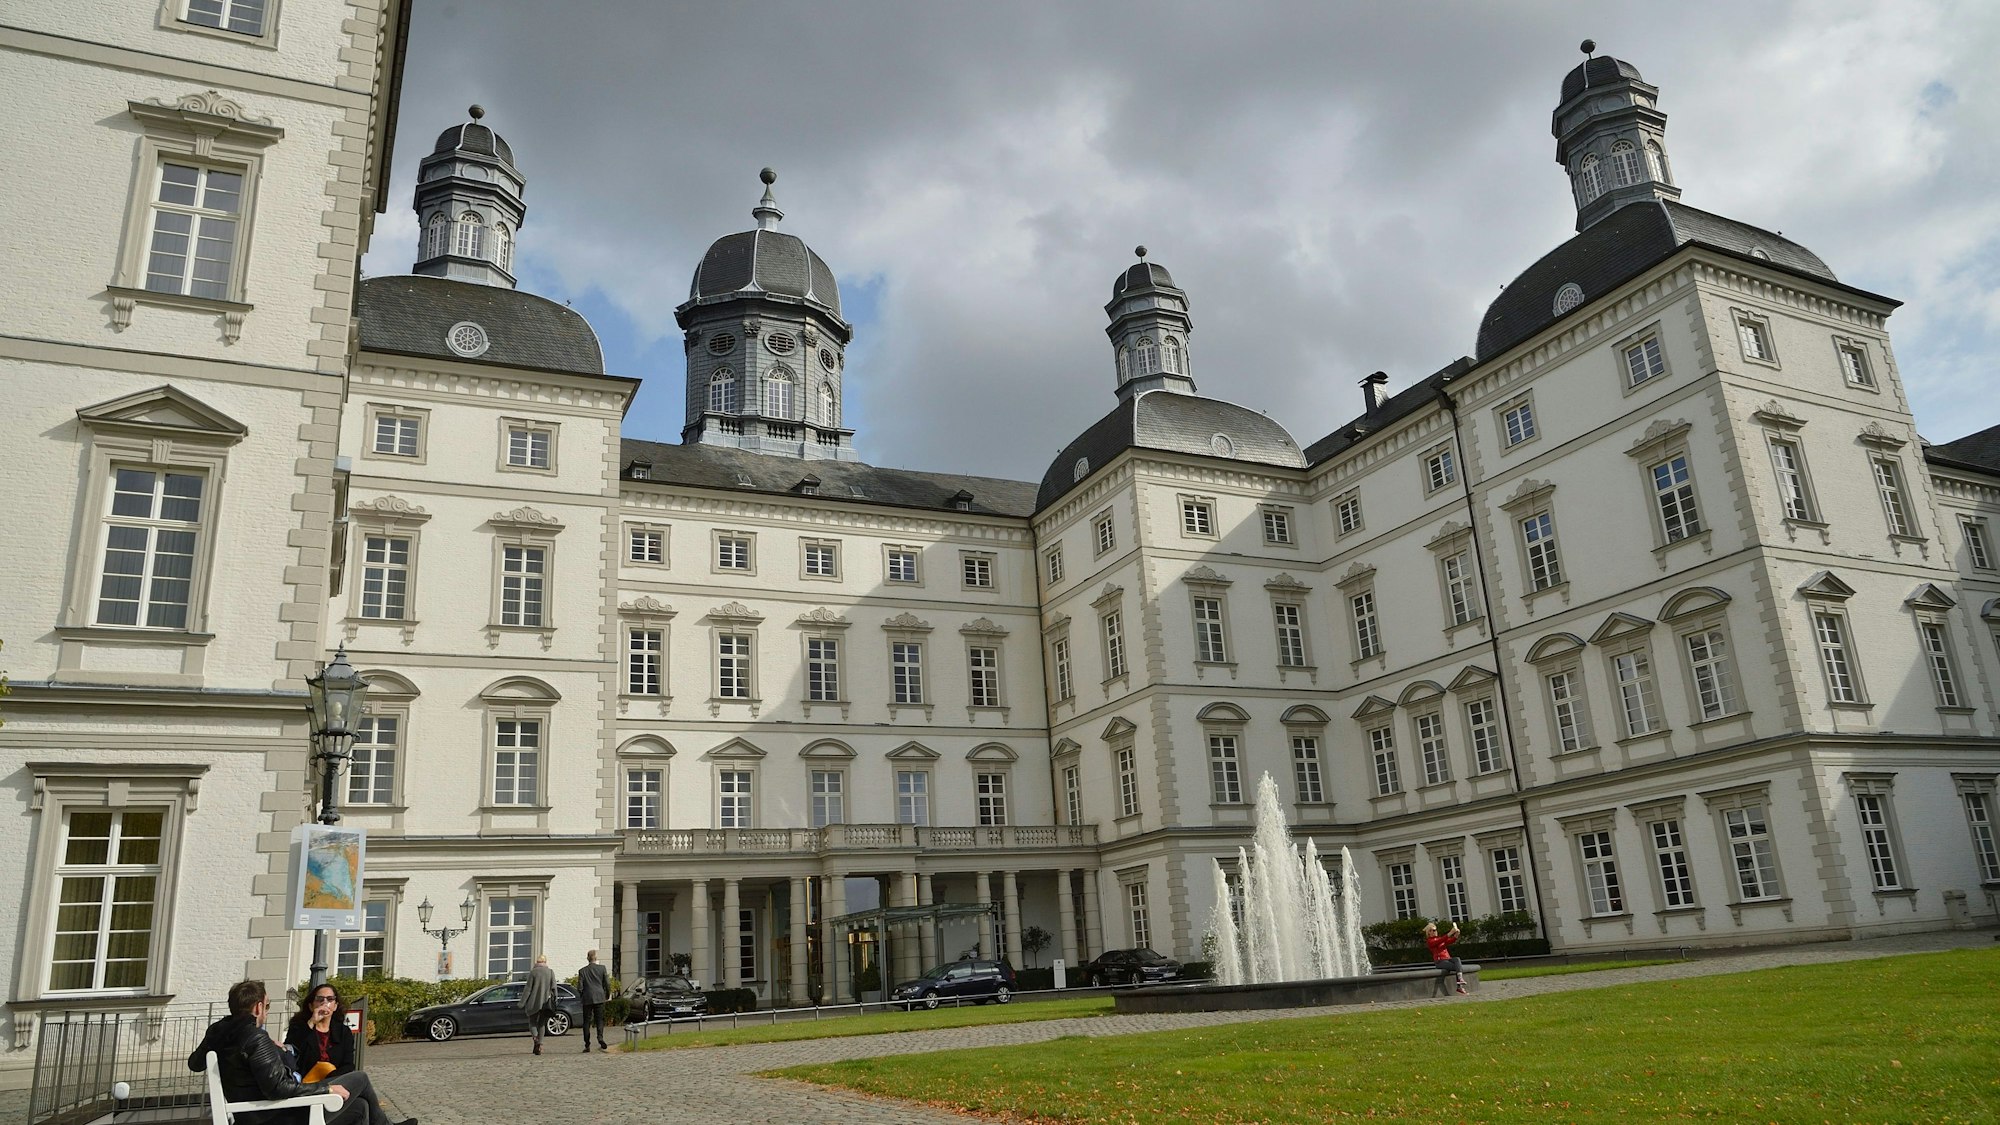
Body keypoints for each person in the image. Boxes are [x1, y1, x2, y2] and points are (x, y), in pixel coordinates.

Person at [188, 979, 413, 1125]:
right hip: (276, 1115)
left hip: (256, 1112)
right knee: (361, 1078)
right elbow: (279, 1088)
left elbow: (195, 1063)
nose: (266, 1011)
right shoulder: (254, 1036)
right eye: (267, 1006)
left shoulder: (220, 1031)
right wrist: (326, 1088)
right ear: (258, 1007)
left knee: (360, 1108)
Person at [285, 983, 357, 1081]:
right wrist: (311, 1022)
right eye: (320, 999)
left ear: (335, 1006)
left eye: (330, 999)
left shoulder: (343, 1032)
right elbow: (291, 1050)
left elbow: (348, 1065)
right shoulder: (299, 1027)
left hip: (335, 1081)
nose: (325, 1003)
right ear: (311, 1006)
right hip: (307, 1083)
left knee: (362, 1078)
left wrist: (329, 1080)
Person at [521, 955, 557, 1055]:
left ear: (536, 962)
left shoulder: (533, 972)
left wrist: (522, 1002)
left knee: (532, 1022)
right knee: (542, 1024)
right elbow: (554, 988)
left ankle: (535, 1038)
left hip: (533, 1002)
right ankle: (540, 1046)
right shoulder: (550, 972)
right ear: (545, 961)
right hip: (545, 1003)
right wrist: (555, 1000)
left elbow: (528, 989)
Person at [576, 949, 611, 1052]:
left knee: (586, 1022)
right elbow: (607, 983)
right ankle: (600, 1038)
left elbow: (579, 987)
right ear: (596, 958)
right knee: (599, 1019)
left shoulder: (582, 971)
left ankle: (587, 1044)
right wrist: (607, 994)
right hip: (599, 997)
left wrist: (583, 995)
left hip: (587, 998)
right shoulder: (602, 968)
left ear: (588, 958)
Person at [1424, 921, 1469, 996]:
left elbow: (1450, 941)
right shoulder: (1430, 941)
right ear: (1429, 932)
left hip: (1447, 959)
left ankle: (1460, 980)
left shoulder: (1439, 939)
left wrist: (1456, 935)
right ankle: (1459, 986)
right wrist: (1450, 933)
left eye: (1436, 930)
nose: (1435, 932)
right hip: (1440, 961)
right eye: (1433, 930)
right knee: (1457, 967)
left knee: (1457, 959)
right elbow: (1440, 941)